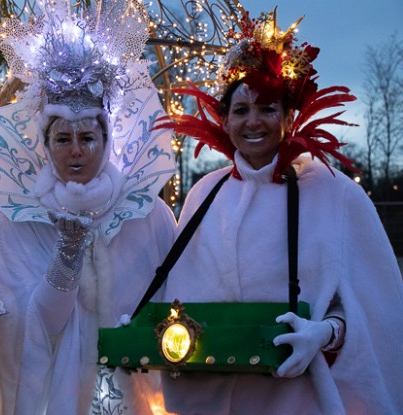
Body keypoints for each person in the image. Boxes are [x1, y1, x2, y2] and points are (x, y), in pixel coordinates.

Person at [158, 9, 403, 415]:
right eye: (240, 110)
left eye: (267, 108)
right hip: (213, 401)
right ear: (225, 119)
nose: (253, 121)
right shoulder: (205, 193)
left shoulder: (335, 194)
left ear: (289, 117)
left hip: (301, 400)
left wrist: (325, 333)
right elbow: (178, 298)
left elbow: (372, 309)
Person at [0, 1, 177, 414]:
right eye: (62, 139)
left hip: (136, 396)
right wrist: (65, 262)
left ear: (107, 139)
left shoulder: (147, 213)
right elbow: (22, 331)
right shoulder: (20, 219)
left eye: (88, 137)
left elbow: (179, 306)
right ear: (45, 145)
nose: (76, 151)